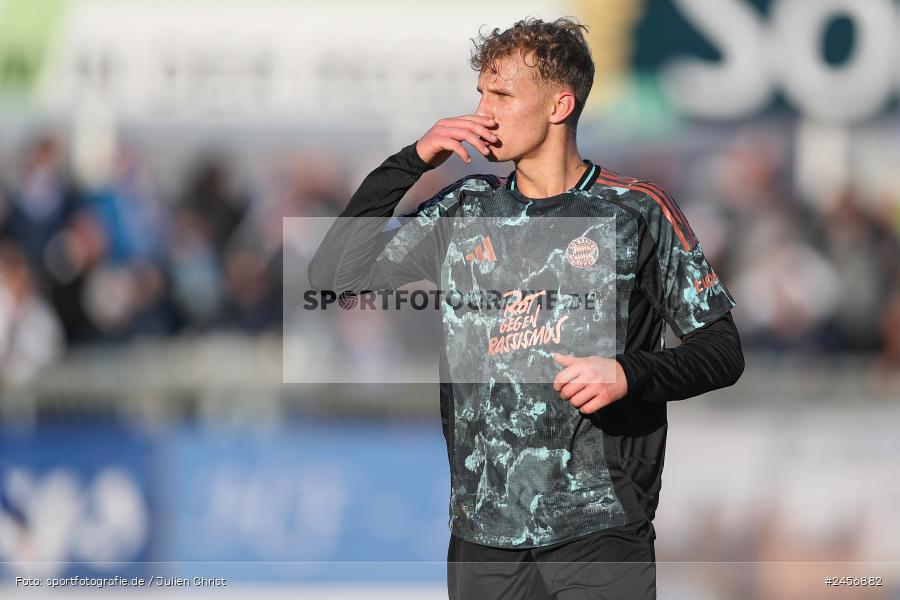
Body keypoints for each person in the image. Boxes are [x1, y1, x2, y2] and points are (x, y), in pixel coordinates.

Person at [308, 17, 744, 600]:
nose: (482, 112)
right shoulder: (465, 208)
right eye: (480, 94)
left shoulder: (636, 210)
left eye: (503, 94)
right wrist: (413, 160)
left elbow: (722, 350)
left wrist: (629, 374)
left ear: (560, 104)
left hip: (601, 527)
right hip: (481, 531)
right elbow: (332, 276)